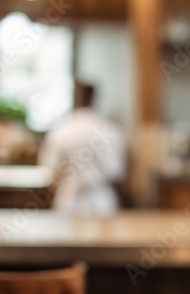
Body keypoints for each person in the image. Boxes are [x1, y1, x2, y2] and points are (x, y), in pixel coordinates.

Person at [38, 82, 127, 216]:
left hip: (69, 201)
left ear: (75, 98)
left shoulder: (61, 129)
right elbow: (116, 171)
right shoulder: (110, 129)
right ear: (93, 98)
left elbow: (50, 168)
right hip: (102, 203)